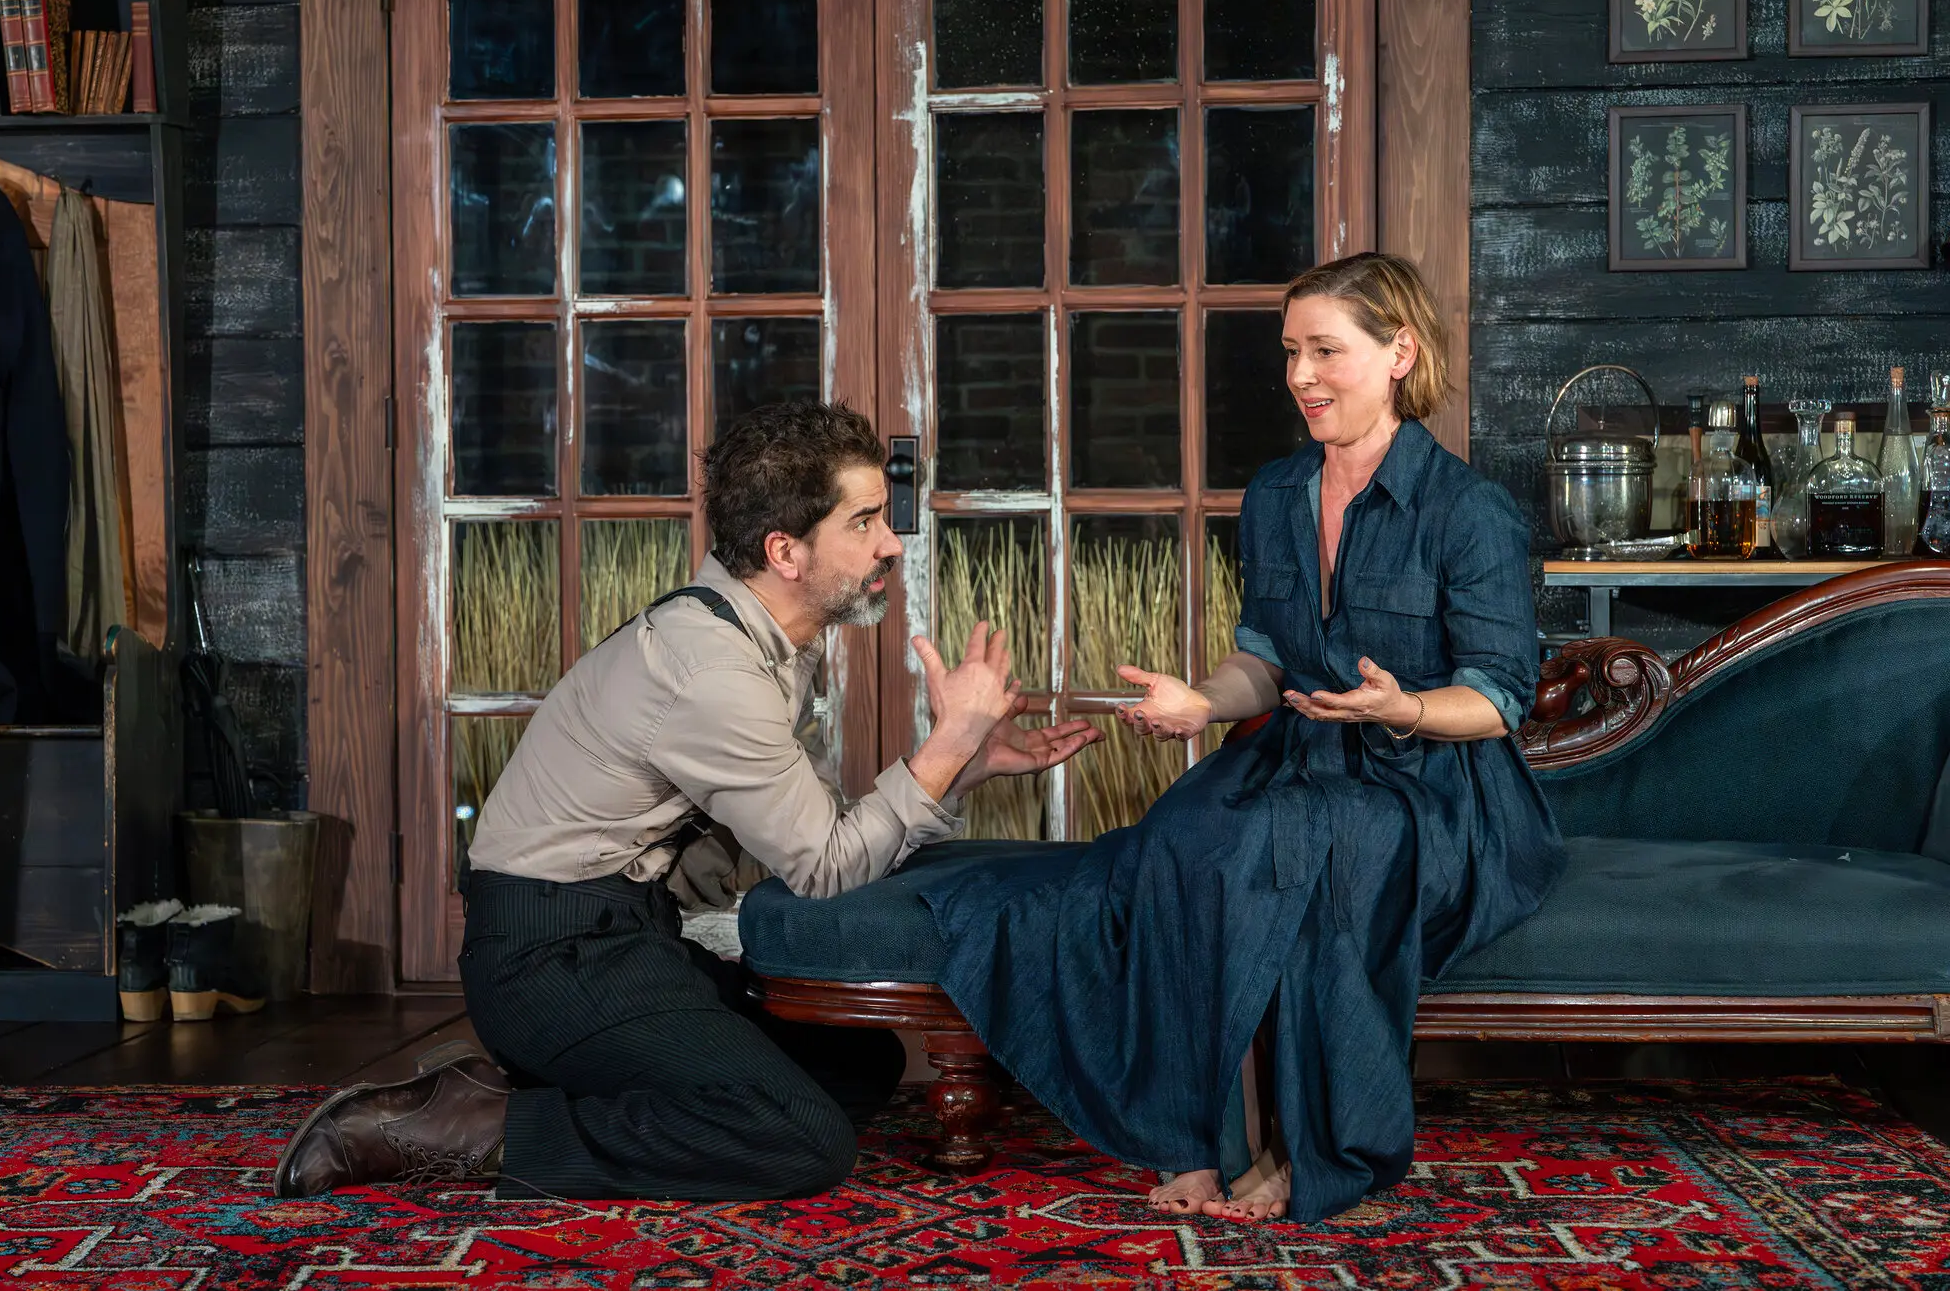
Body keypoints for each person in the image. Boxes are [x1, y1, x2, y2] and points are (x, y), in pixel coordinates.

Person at [273, 401, 1099, 1201]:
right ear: (786, 550)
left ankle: (556, 1082)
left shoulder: (762, 644)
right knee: (805, 1137)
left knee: (860, 1066)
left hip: (626, 933)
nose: (891, 541)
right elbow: (823, 867)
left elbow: (817, 830)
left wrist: (966, 764)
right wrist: (943, 744)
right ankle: (474, 1125)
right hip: (549, 957)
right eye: (865, 521)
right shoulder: (714, 671)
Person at [918, 252, 1564, 1224]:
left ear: (1399, 353)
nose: (1300, 375)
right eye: (1290, 352)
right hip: (1295, 754)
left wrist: (1402, 708)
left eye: (1325, 352)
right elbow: (1261, 659)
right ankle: (1196, 1140)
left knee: (1309, 852)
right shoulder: (1272, 495)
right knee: (1182, 841)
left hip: (1428, 780)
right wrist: (1202, 703)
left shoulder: (1468, 511)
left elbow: (1497, 699)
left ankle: (1313, 1156)